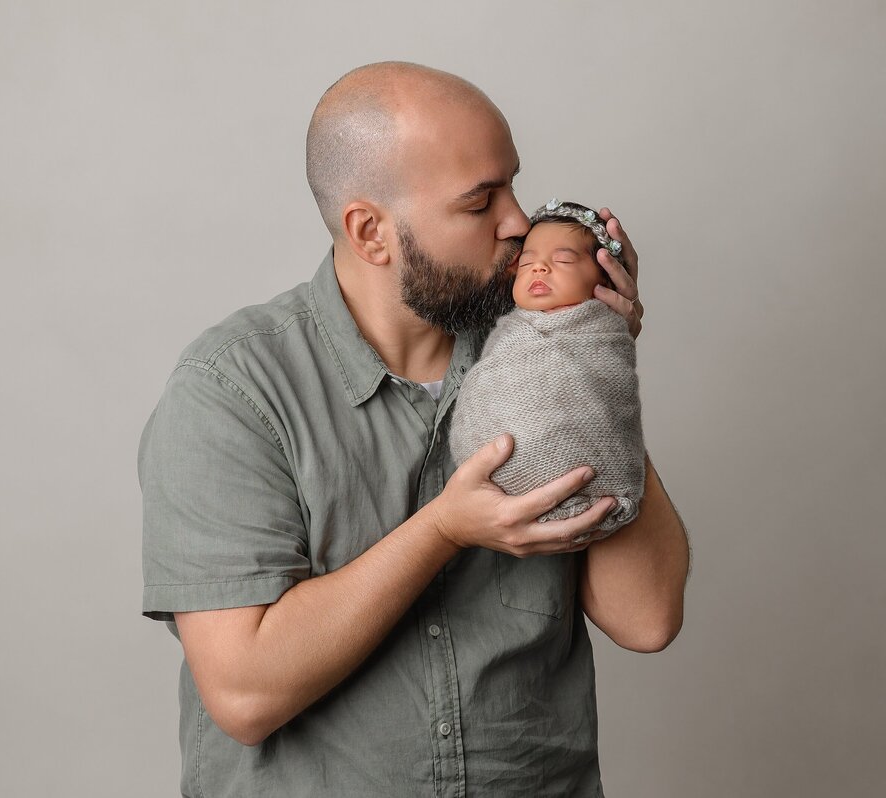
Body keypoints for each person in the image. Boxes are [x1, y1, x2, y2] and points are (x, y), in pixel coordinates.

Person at [139, 61, 690, 797]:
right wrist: (443, 530)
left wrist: (596, 368)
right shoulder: (232, 391)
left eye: (514, 186)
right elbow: (244, 694)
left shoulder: (533, 355)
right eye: (478, 203)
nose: (519, 222)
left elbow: (645, 619)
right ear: (371, 232)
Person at [448, 199, 647, 540]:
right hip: (483, 481)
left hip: (585, 468)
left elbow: (611, 400)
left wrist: (618, 328)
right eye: (527, 264)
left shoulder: (603, 332)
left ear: (606, 279)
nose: (539, 270)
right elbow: (490, 389)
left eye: (563, 260)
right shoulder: (504, 328)